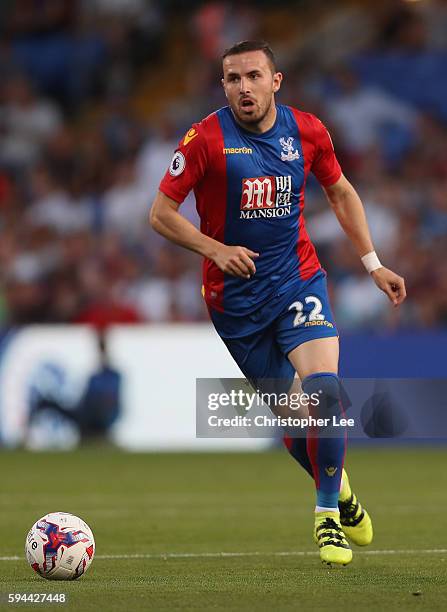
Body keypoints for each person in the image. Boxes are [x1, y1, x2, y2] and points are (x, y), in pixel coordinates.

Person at [150, 40, 406, 566]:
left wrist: (373, 262)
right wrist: (215, 249)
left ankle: (325, 518)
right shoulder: (204, 139)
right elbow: (161, 213)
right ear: (223, 86)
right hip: (236, 305)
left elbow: (341, 193)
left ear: (275, 81)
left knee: (326, 397)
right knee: (297, 427)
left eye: (252, 76)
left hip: (298, 281)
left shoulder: (308, 130)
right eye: (232, 79)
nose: (243, 87)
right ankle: (343, 491)